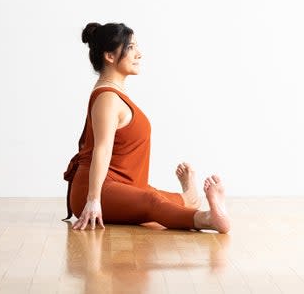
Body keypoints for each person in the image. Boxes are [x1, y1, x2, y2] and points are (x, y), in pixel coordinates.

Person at [62, 22, 230, 233]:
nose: (139, 54)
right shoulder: (107, 98)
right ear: (110, 56)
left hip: (125, 185)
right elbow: (102, 149)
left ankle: (190, 197)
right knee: (152, 201)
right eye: (131, 47)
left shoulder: (115, 96)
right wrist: (93, 200)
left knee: (162, 197)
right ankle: (209, 219)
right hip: (96, 188)